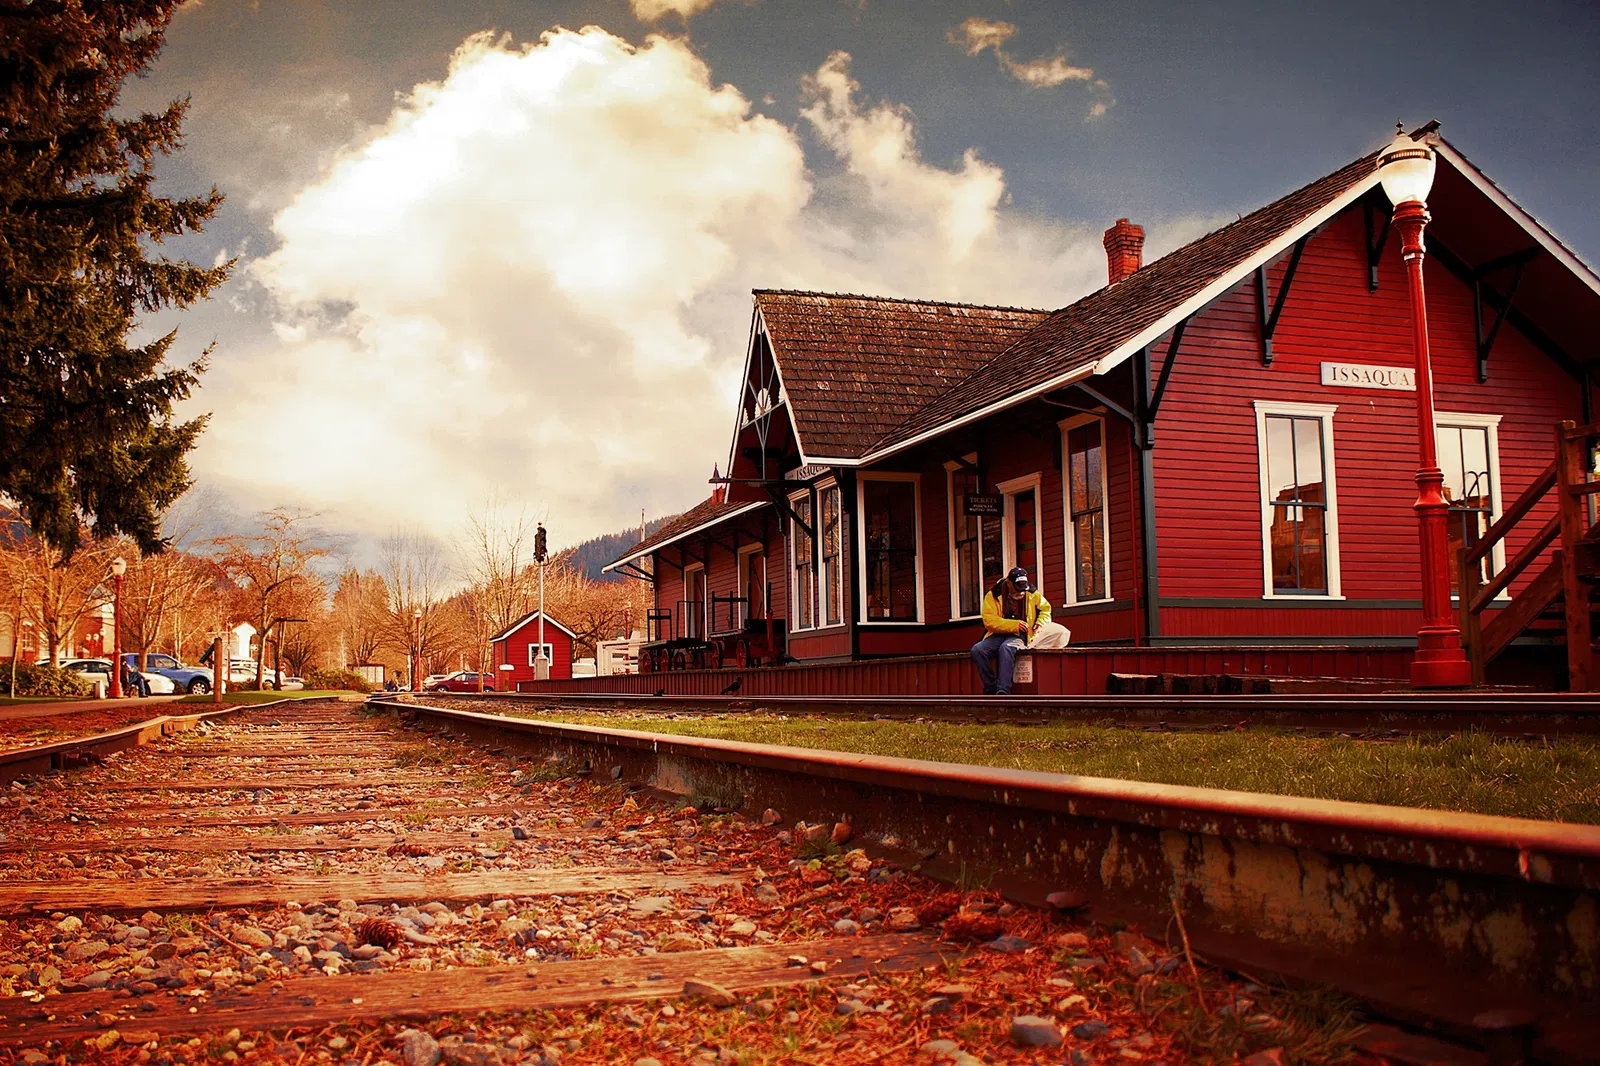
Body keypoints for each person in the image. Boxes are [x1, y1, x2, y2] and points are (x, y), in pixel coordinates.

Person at [970, 567, 1071, 695]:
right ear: (1009, 583)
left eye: (1023, 589)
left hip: (1020, 635)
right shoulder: (994, 594)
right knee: (977, 650)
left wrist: (1040, 624)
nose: (1021, 593)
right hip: (997, 634)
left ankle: (1003, 691)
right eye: (1017, 589)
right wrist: (1015, 625)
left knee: (1006, 648)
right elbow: (989, 621)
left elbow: (1045, 610)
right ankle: (991, 687)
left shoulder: (1032, 592)